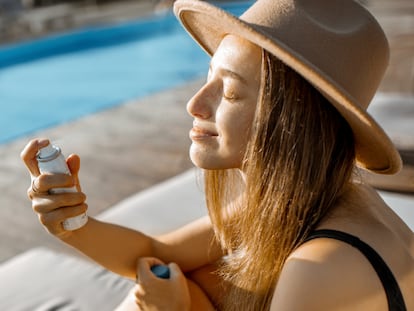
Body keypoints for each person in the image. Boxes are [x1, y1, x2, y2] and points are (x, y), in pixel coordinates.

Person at [21, 0, 414, 310]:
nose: (195, 104)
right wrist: (70, 222)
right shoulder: (303, 199)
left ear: (293, 120)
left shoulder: (322, 268)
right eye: (208, 78)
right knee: (187, 275)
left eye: (228, 92)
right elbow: (156, 252)